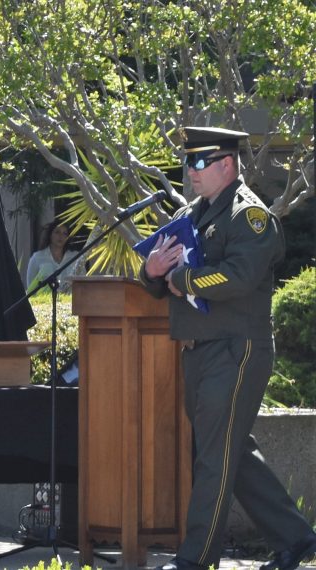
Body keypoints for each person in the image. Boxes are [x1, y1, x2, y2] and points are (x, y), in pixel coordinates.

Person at [140, 127, 316, 570]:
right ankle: (296, 538)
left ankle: (195, 560)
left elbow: (238, 276)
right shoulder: (193, 213)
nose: (191, 172)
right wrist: (152, 270)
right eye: (189, 163)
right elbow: (163, 281)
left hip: (237, 349)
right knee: (229, 452)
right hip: (200, 349)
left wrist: (179, 280)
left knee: (213, 460)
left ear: (226, 165)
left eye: (200, 163)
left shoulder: (249, 216)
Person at [26, 219, 79, 293]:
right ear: (50, 235)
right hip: (44, 303)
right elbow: (30, 287)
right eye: (57, 232)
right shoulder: (37, 258)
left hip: (70, 303)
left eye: (65, 233)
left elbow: (83, 284)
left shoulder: (75, 257)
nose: (61, 236)